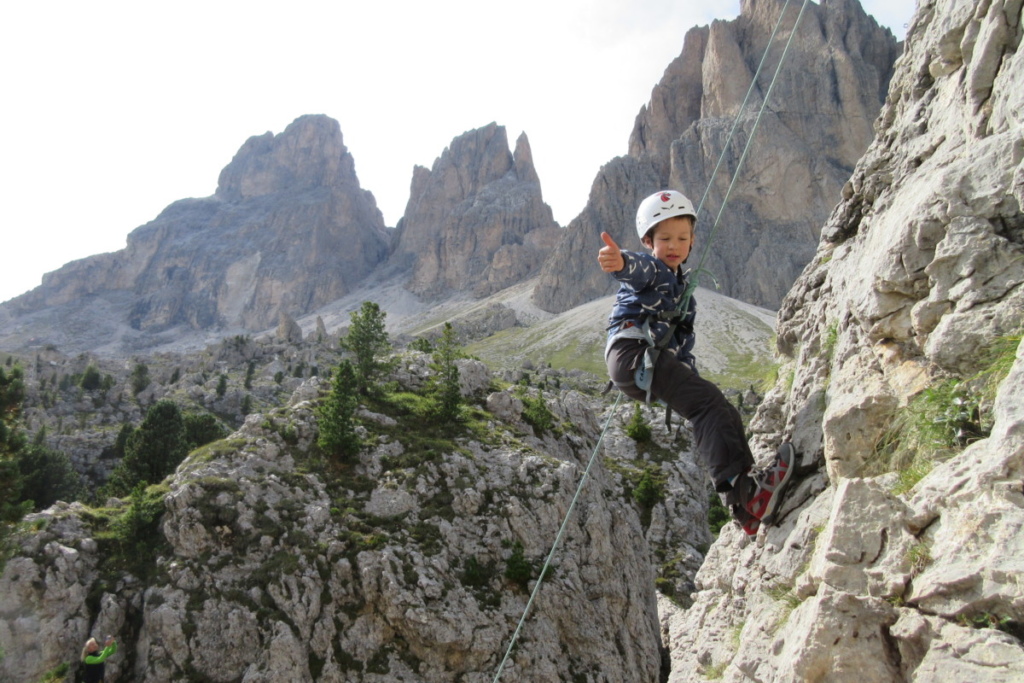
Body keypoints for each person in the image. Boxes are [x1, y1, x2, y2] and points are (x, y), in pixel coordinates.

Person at [598, 189, 794, 535]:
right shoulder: (655, 271)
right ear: (648, 241)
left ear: (692, 241)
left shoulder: (681, 289)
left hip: (644, 360)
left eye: (682, 237)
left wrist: (697, 385)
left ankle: (746, 510)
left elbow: (681, 346)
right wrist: (621, 263)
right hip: (634, 354)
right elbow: (638, 271)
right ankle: (747, 494)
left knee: (719, 408)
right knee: (709, 407)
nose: (674, 245)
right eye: (664, 238)